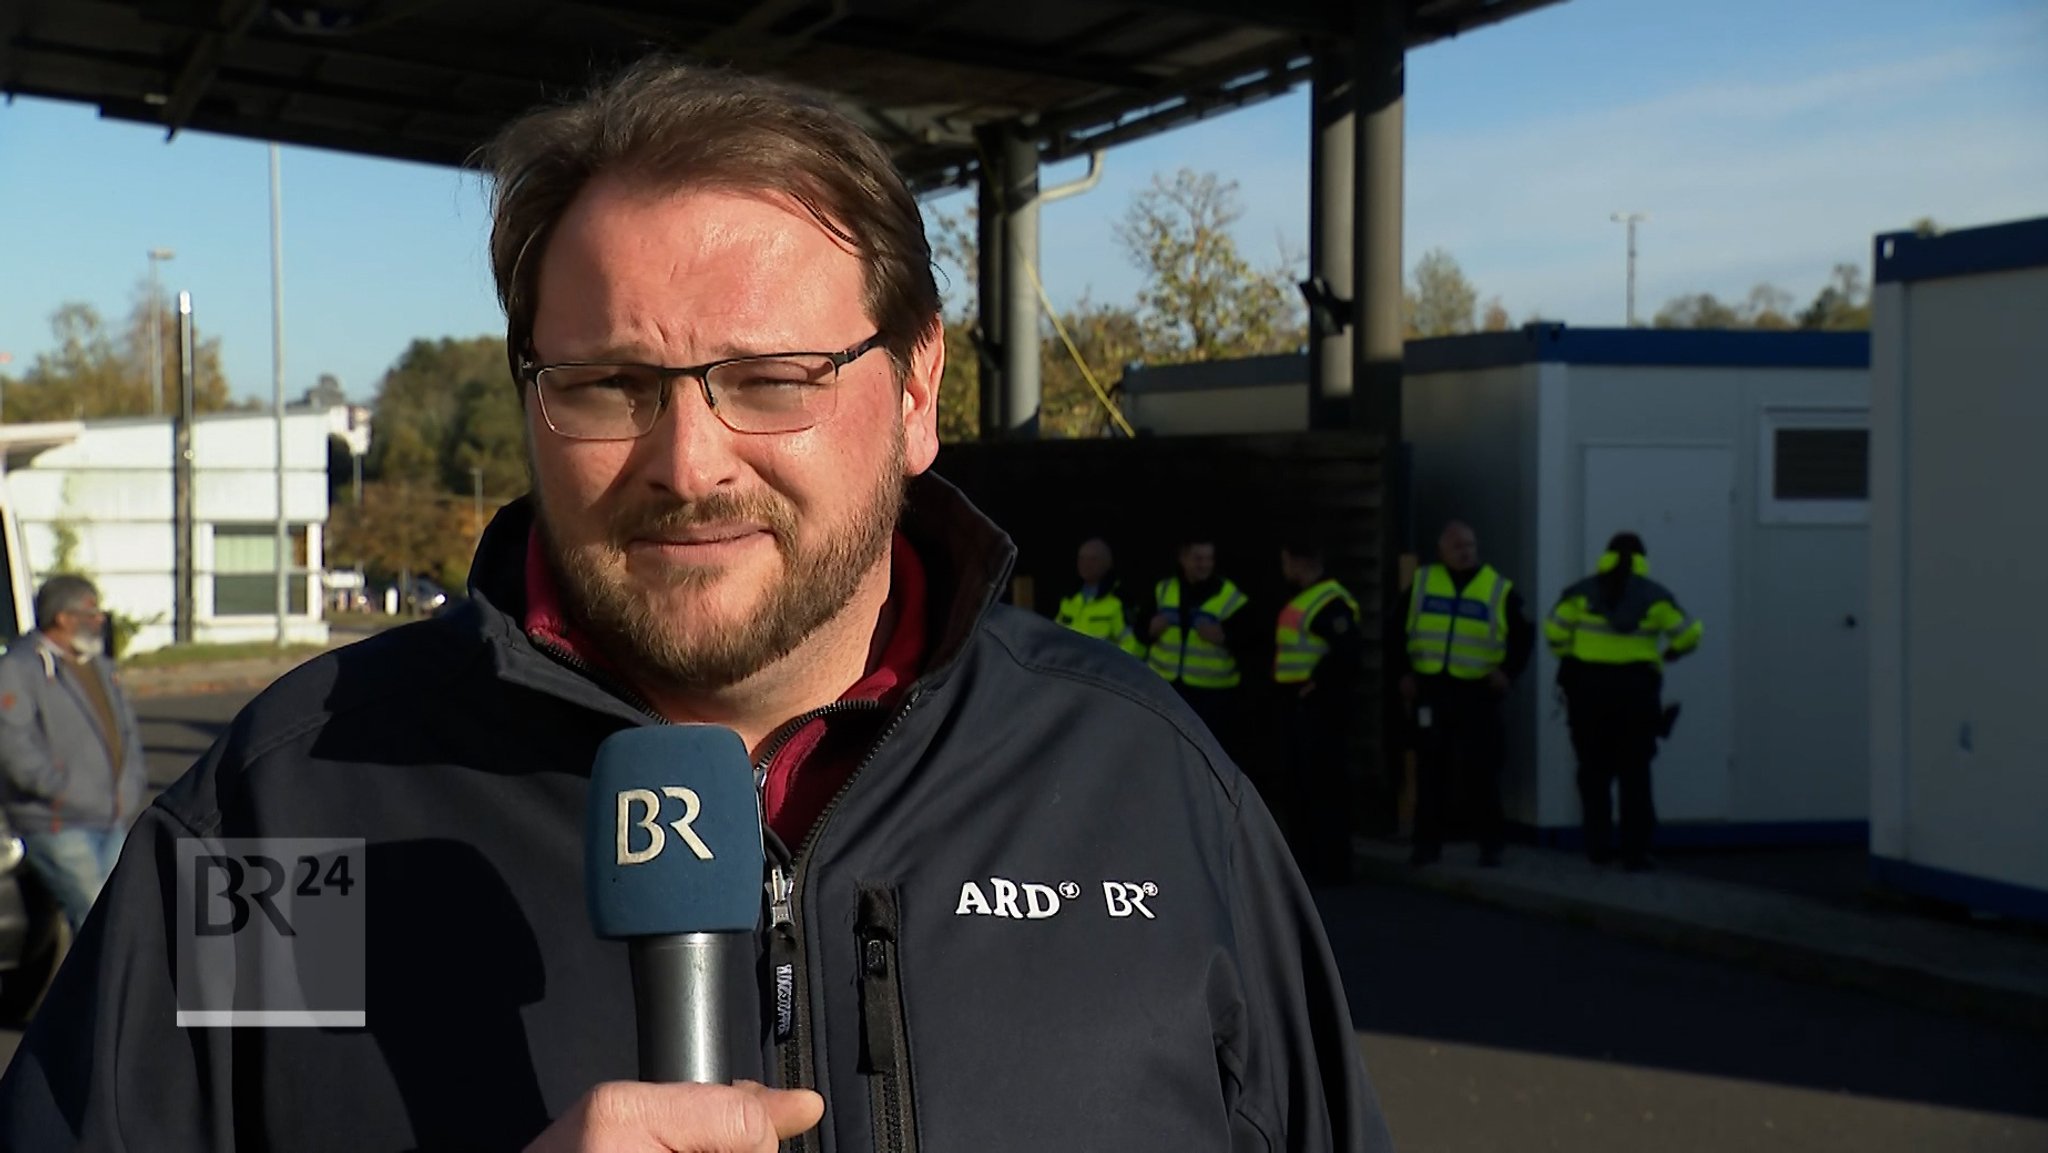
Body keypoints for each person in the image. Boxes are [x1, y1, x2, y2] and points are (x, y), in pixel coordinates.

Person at [0, 57, 1392, 1153]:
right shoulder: (299, 808)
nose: (688, 461)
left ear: (915, 393)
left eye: (773, 376)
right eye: (609, 385)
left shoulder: (1145, 788)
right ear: (533, 398)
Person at [0, 575, 148, 935]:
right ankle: (101, 992)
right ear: (63, 618)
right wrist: (63, 790)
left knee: (122, 916)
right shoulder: (20, 669)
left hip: (110, 817)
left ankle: (107, 989)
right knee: (98, 922)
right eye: (91, 611)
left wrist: (130, 785)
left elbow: (125, 733)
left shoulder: (99, 667)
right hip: (58, 823)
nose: (100, 619)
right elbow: (13, 746)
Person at [1547, 531, 1703, 872]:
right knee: (1635, 774)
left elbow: (1554, 632)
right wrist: (1672, 652)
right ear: (1643, 557)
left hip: (1587, 692)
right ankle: (1636, 852)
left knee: (1594, 773)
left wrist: (1571, 655)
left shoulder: (1578, 593)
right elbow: (1691, 632)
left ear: (1606, 555)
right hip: (1636, 694)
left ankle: (1598, 848)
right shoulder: (1657, 597)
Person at [1396, 521, 1533, 867]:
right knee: (1430, 771)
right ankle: (1427, 844)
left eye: (1470, 544)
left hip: (1477, 691)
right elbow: (1395, 629)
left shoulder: (1497, 588)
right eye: (1457, 545)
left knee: (1481, 770)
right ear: (1442, 550)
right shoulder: (1424, 583)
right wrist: (1403, 673)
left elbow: (1523, 636)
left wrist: (1508, 673)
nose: (1465, 551)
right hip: (1432, 688)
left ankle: (1491, 845)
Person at [1272, 540, 1362, 884]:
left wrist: (1318, 684)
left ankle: (1330, 866)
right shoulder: (1305, 598)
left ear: (1298, 561)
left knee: (1323, 788)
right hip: (1298, 705)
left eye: (1286, 561)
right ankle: (1308, 863)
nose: (1285, 569)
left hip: (1319, 709)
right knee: (1301, 786)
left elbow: (1348, 653)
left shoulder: (1330, 602)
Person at [1143, 533, 1256, 763]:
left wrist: (1224, 637)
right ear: (1183, 559)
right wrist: (1149, 628)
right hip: (1166, 688)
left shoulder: (1230, 595)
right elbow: (1139, 629)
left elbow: (1252, 641)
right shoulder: (1163, 590)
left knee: (1207, 758)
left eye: (1208, 558)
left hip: (1212, 695)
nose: (1204, 564)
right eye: (1198, 558)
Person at [1052, 537, 1145, 659]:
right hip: (1068, 671)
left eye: (1093, 559)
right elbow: (1054, 635)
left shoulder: (1119, 601)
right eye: (1082, 558)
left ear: (1108, 563)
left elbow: (1133, 645)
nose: (1085, 564)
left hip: (1101, 674)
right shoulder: (1069, 598)